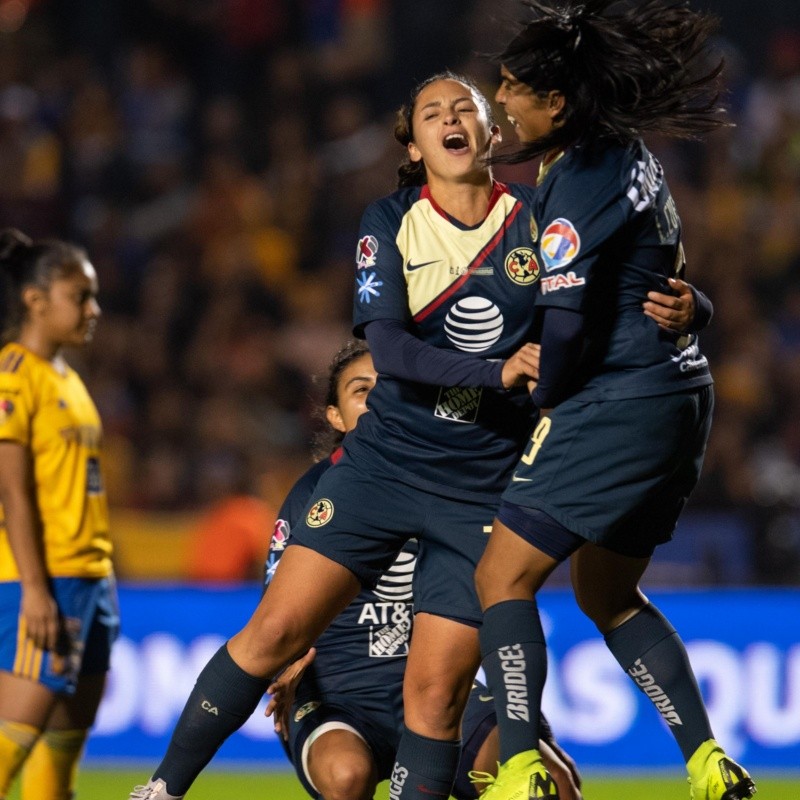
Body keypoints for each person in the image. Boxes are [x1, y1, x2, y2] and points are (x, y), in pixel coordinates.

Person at [128, 72, 705, 800]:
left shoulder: (540, 214)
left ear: (494, 134)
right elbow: (391, 351)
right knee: (273, 631)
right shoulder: (390, 218)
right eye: (434, 112)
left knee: (435, 701)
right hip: (387, 467)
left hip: (485, 490)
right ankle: (161, 789)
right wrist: (498, 373)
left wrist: (697, 305)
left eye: (468, 107)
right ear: (414, 142)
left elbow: (630, 285)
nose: (453, 117)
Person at [472, 3, 757, 799]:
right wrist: (696, 306)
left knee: (501, 578)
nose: (502, 100)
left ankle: (520, 764)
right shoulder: (627, 158)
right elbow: (657, 276)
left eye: (513, 87)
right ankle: (707, 761)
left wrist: (540, 402)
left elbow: (564, 330)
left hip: (619, 402)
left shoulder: (579, 182)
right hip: (677, 396)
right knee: (605, 592)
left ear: (557, 103)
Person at [263, 339, 583, 800]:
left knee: (555, 784)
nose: (375, 401)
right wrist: (288, 665)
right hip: (341, 691)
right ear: (334, 416)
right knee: (345, 776)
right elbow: (279, 605)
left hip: (439, 685)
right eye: (360, 390)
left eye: (386, 387)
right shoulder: (314, 494)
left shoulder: (460, 479)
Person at [0, 229, 118, 800]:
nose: (94, 310)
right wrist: (34, 589)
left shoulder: (66, 378)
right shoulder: (13, 374)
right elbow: (12, 493)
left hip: (93, 578)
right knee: (8, 750)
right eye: (82, 296)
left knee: (60, 763)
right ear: (36, 299)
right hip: (47, 580)